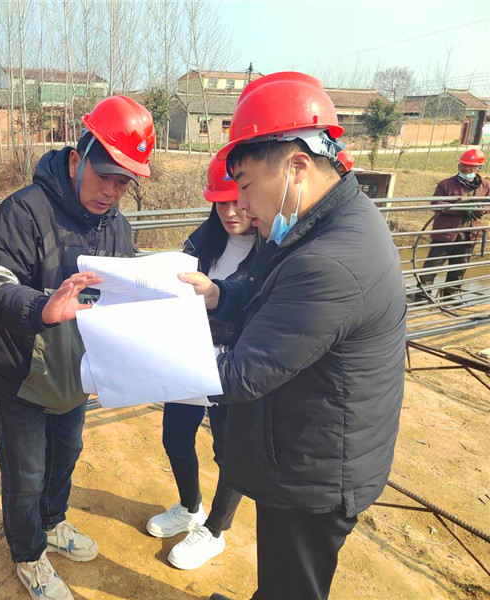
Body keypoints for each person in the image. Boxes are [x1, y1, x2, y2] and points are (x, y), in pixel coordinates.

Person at [178, 72, 407, 600]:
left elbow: (242, 374)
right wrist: (219, 294)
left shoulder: (331, 259)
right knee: (280, 582)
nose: (240, 204)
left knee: (292, 588)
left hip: (314, 471)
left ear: (296, 167)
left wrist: (139, 356)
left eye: (246, 184)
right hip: (303, 443)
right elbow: (270, 291)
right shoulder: (322, 220)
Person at [0, 95, 155, 600]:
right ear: (76, 159)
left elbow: (119, 297)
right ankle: (28, 554)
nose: (112, 191)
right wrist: (40, 308)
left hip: (74, 376)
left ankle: (51, 524)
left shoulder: (117, 228)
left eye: (124, 182)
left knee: (65, 456)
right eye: (105, 175)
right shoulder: (25, 211)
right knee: (25, 473)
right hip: (21, 374)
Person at [146, 157, 258, 570]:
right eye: (220, 203)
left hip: (235, 364)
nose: (230, 212)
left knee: (229, 452)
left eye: (238, 201)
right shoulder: (204, 239)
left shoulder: (270, 250)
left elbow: (252, 301)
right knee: (175, 437)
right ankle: (190, 507)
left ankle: (214, 530)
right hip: (190, 354)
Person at [417, 148, 489, 300]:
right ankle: (423, 295)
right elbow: (437, 204)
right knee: (432, 266)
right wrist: (462, 208)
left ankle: (450, 297)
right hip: (446, 233)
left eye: (470, 166)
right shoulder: (446, 184)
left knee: (458, 268)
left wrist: (479, 208)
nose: (465, 168)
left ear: (478, 167)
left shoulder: (485, 186)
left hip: (469, 235)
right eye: (463, 165)